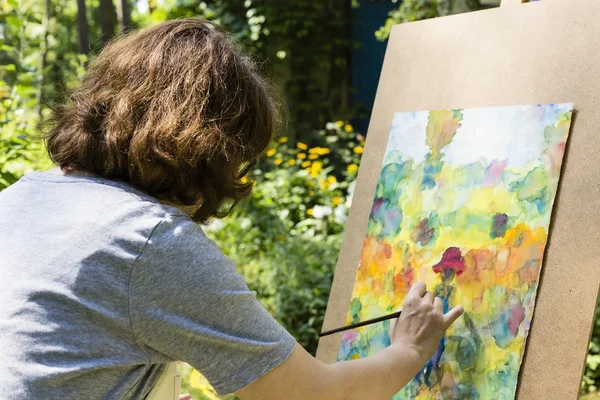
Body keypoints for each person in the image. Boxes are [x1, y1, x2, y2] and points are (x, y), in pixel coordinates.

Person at [0, 18, 463, 400]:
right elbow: (310, 397)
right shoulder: (148, 241)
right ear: (208, 149)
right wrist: (409, 349)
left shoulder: (21, 198)